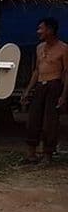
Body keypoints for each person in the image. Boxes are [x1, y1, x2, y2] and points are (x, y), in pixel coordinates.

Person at [20, 18, 68, 164]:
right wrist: (28, 90)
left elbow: (66, 72)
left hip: (54, 85)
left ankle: (48, 155)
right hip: (40, 85)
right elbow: (36, 70)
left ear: (50, 30)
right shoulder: (39, 47)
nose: (38, 32)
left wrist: (63, 95)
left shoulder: (64, 49)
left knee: (50, 122)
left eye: (41, 28)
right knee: (33, 119)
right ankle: (31, 154)